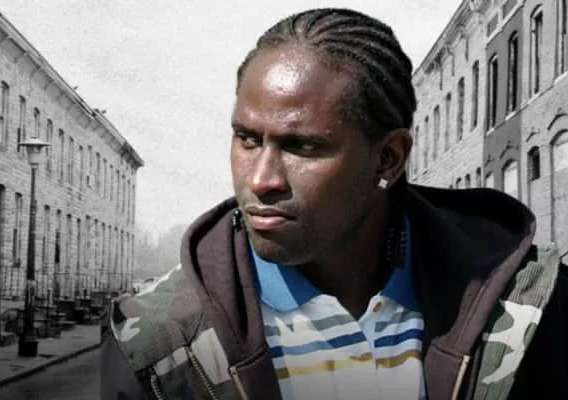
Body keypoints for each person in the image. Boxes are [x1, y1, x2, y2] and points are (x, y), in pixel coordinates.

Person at [101, 8, 568, 400]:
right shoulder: (158, 343)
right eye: (247, 139)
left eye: (302, 147)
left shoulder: (528, 308)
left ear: (388, 159)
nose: (261, 180)